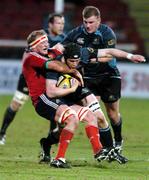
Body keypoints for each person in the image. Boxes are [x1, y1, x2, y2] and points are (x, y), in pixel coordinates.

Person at [61, 6, 146, 153]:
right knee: (95, 113)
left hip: (109, 76)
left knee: (113, 114)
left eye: (91, 22)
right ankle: (105, 148)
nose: (88, 25)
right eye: (85, 22)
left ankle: (118, 139)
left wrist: (88, 58)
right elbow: (62, 48)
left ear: (99, 20)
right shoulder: (75, 33)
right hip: (88, 77)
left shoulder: (107, 33)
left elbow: (109, 56)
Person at [22, 29, 110, 168]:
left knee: (89, 116)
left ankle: (98, 151)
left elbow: (69, 52)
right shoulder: (31, 56)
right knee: (72, 119)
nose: (47, 43)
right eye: (42, 42)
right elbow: (54, 65)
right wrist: (74, 71)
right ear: (33, 46)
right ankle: (59, 159)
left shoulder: (53, 52)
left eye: (46, 40)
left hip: (61, 96)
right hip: (43, 99)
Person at [0, 13, 66, 145]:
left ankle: (51, 137)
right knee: (16, 103)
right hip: (29, 77)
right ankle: (2, 133)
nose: (61, 26)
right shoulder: (40, 37)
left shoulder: (63, 39)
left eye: (63, 23)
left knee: (55, 105)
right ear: (50, 24)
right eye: (58, 23)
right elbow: (27, 57)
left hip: (49, 78)